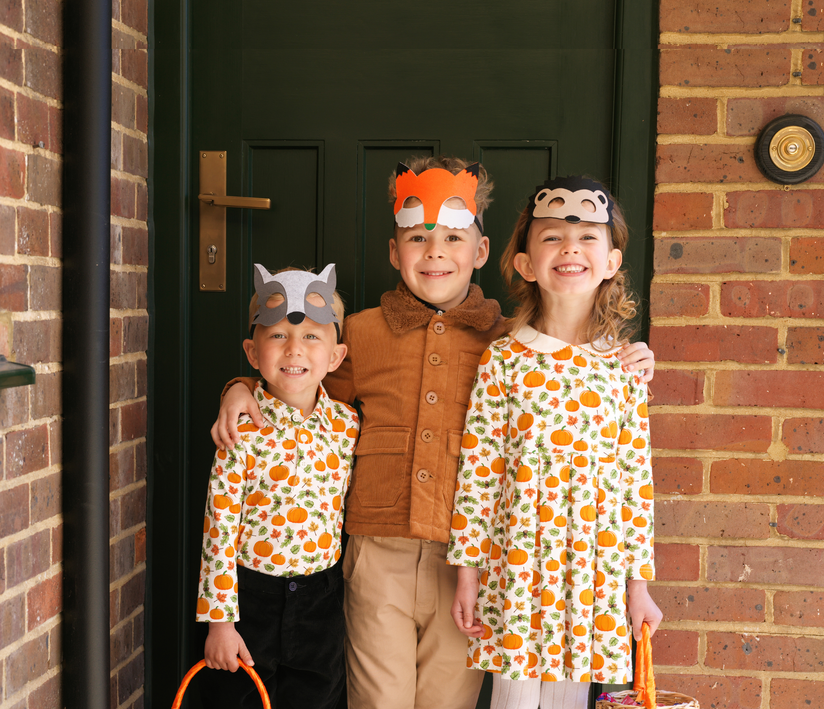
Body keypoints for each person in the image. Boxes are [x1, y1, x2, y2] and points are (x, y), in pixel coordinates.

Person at [210, 158, 657, 709]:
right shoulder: (360, 334)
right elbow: (299, 388)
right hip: (378, 553)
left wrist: (626, 357)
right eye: (418, 238)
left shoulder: (508, 343)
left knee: (449, 700)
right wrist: (241, 387)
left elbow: (569, 378)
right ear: (394, 252)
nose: (435, 252)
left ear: (482, 251)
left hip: (465, 560)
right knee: (380, 700)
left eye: (453, 238)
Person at [447, 176, 662, 709]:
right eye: (552, 237)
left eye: (588, 237)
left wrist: (638, 587)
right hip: (517, 563)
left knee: (570, 700)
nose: (570, 248)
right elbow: (478, 473)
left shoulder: (623, 367)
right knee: (514, 699)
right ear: (525, 264)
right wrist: (467, 576)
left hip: (594, 567)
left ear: (611, 262)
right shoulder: (504, 360)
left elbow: (636, 484)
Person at [195, 264, 358, 709]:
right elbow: (219, 529)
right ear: (252, 352)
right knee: (237, 699)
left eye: (311, 336)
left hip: (321, 599)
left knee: (316, 699)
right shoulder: (240, 430)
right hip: (250, 600)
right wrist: (220, 623)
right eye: (278, 335)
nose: (294, 348)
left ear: (336, 357)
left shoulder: (347, 425)